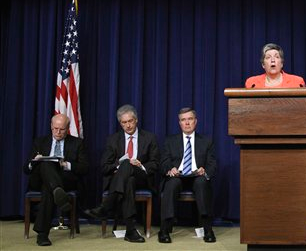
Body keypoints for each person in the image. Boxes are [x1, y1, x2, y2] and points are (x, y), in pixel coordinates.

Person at [85, 104, 159, 243]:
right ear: (120, 124)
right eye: (124, 122)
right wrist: (119, 165)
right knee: (128, 178)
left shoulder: (149, 138)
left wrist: (140, 165)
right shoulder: (113, 140)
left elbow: (155, 164)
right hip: (121, 179)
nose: (128, 125)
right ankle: (130, 231)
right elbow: (105, 167)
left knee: (129, 169)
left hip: (142, 177)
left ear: (136, 120)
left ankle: (106, 206)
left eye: (130, 121)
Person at [23, 114, 89, 246]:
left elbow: (84, 168)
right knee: (46, 162)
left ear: (68, 128)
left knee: (49, 189)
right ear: (51, 127)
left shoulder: (77, 143)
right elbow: (26, 169)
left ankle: (42, 235)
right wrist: (34, 161)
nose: (58, 132)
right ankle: (58, 193)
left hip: (65, 180)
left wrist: (67, 165)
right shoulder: (40, 142)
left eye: (62, 129)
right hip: (40, 178)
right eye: (55, 129)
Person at [159, 108, 217, 243]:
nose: (187, 123)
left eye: (190, 119)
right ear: (179, 123)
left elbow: (212, 164)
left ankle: (208, 229)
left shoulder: (206, 141)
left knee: (202, 183)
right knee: (171, 184)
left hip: (196, 176)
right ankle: (164, 230)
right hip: (177, 176)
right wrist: (170, 169)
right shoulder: (170, 141)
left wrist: (205, 170)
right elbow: (163, 162)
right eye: (183, 120)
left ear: (195, 122)